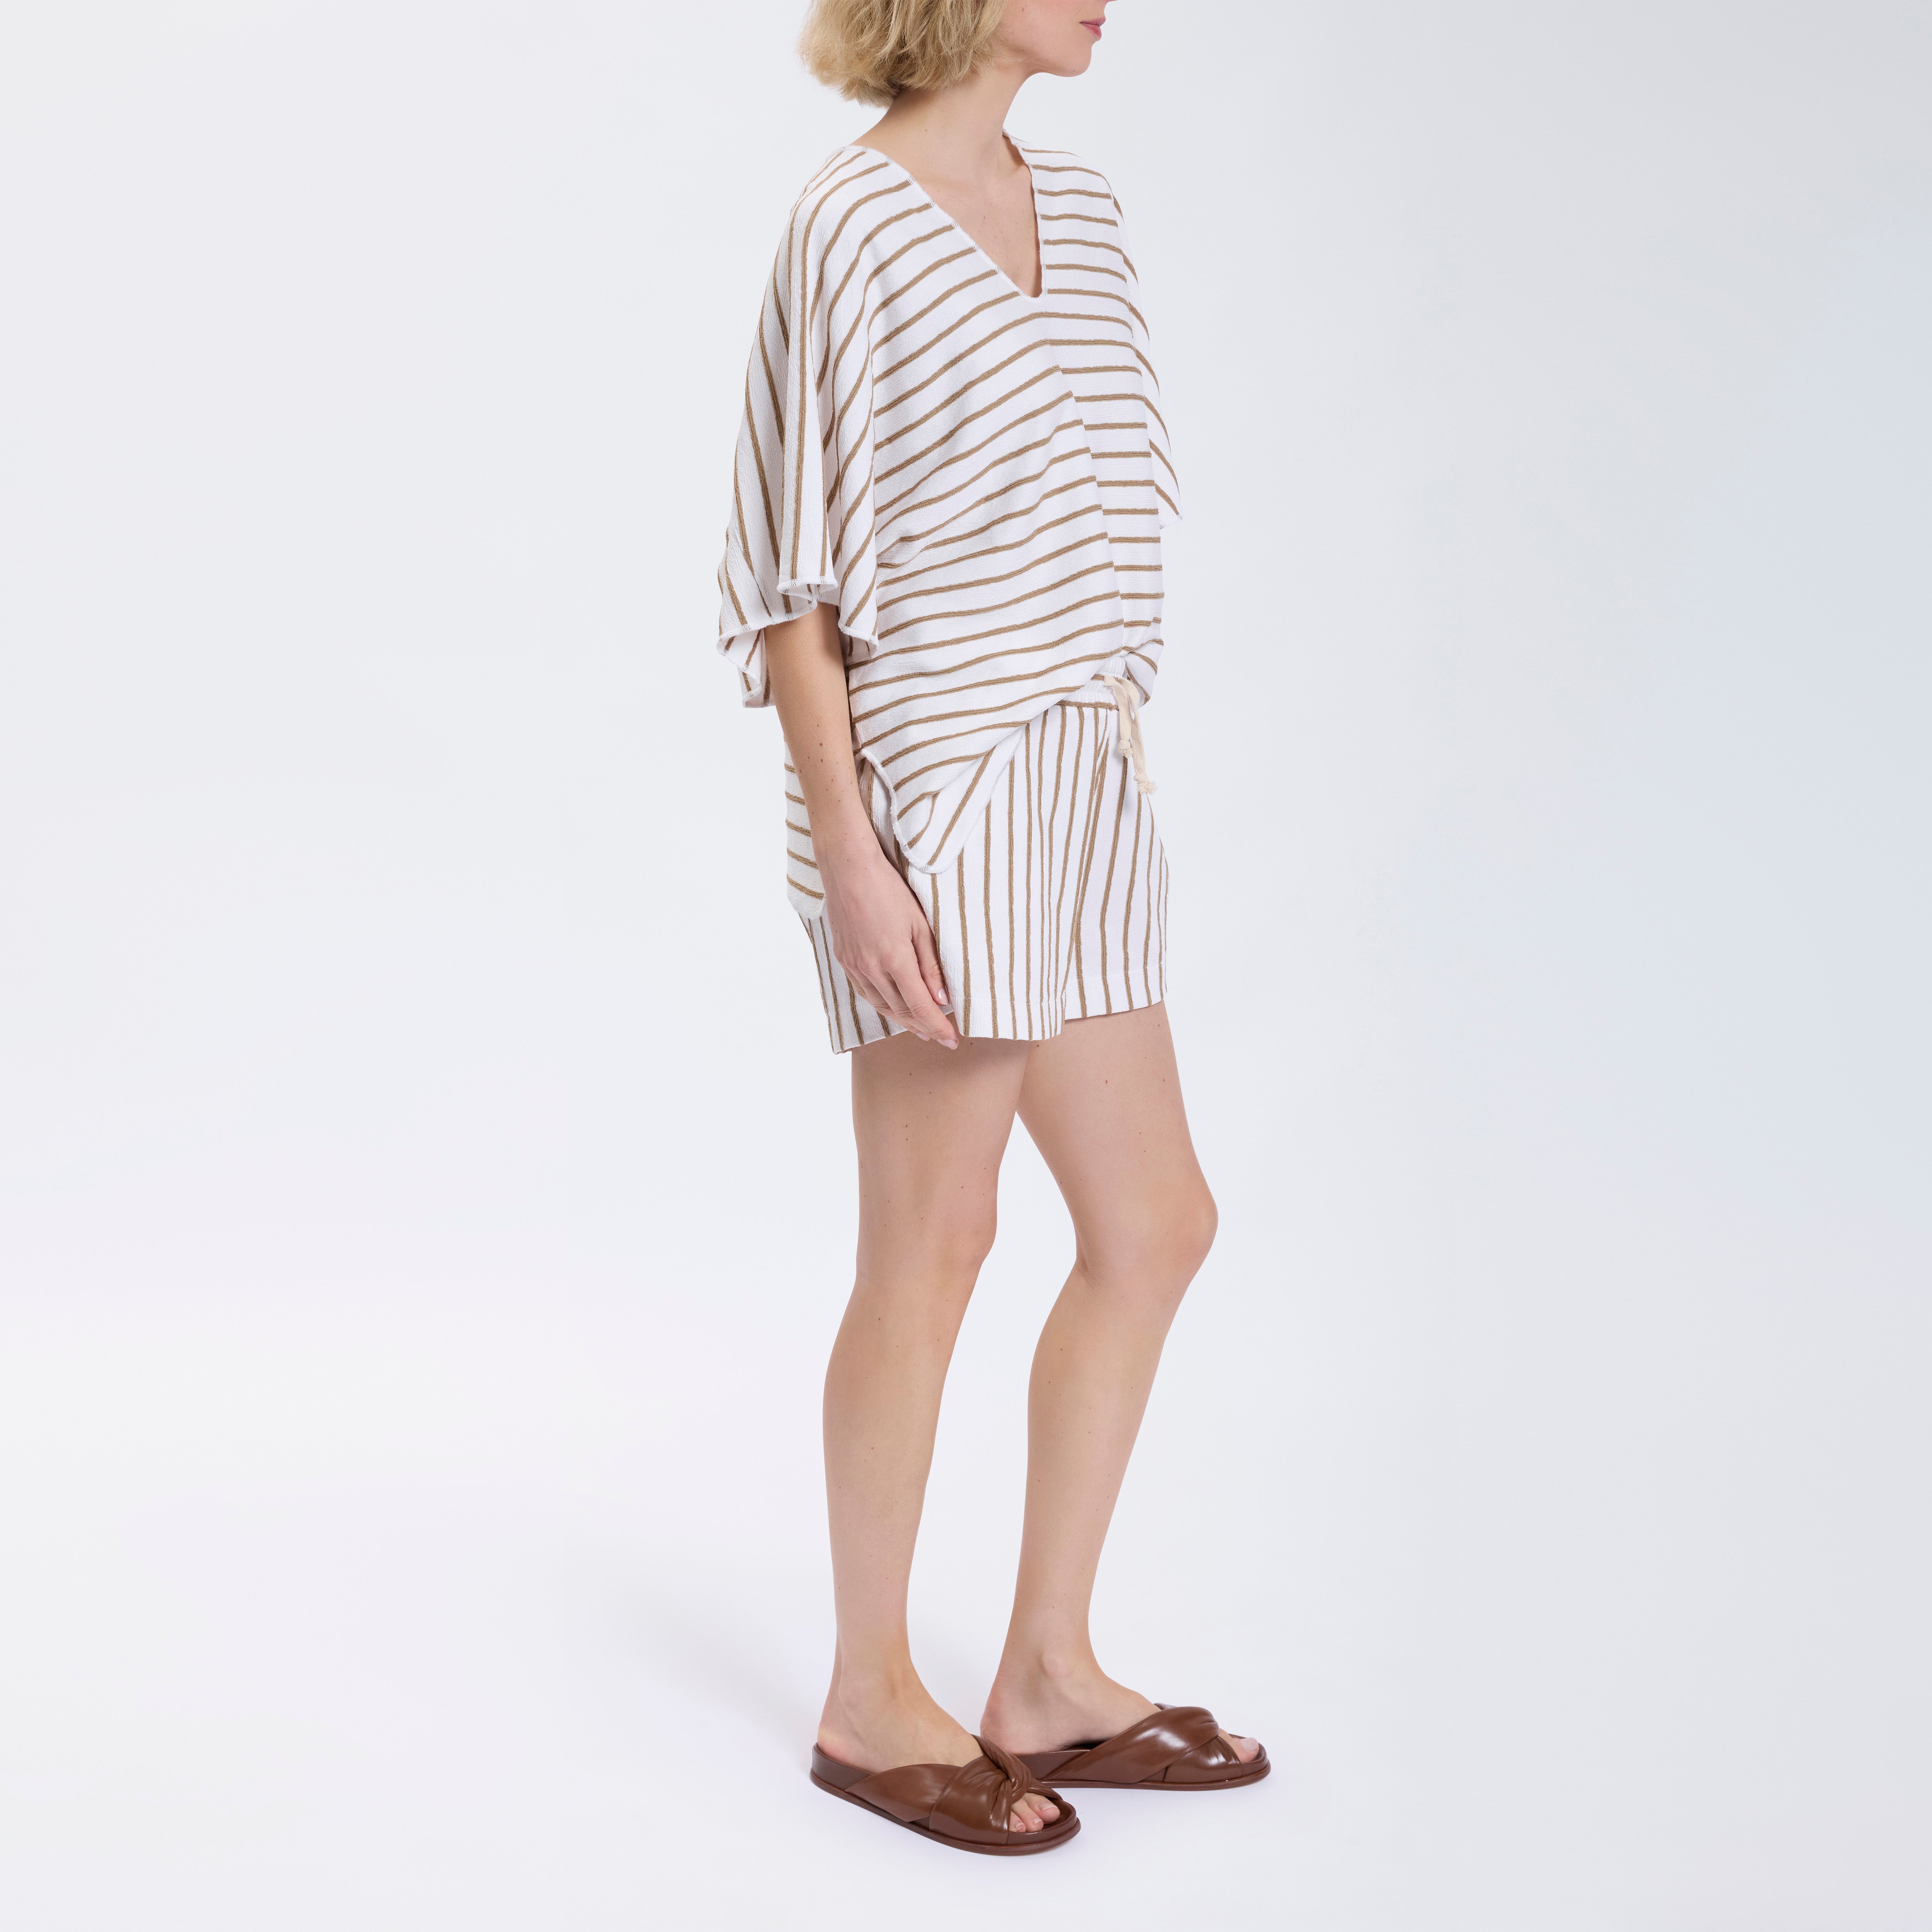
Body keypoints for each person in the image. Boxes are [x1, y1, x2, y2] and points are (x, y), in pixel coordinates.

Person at [712, 0, 1264, 1855]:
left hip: (1081, 769)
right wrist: (853, 856)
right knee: (933, 1239)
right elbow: (787, 585)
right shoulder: (847, 222)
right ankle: (872, 1698)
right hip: (935, 798)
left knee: (1154, 1218)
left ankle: (1043, 1674)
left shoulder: (1078, 206)